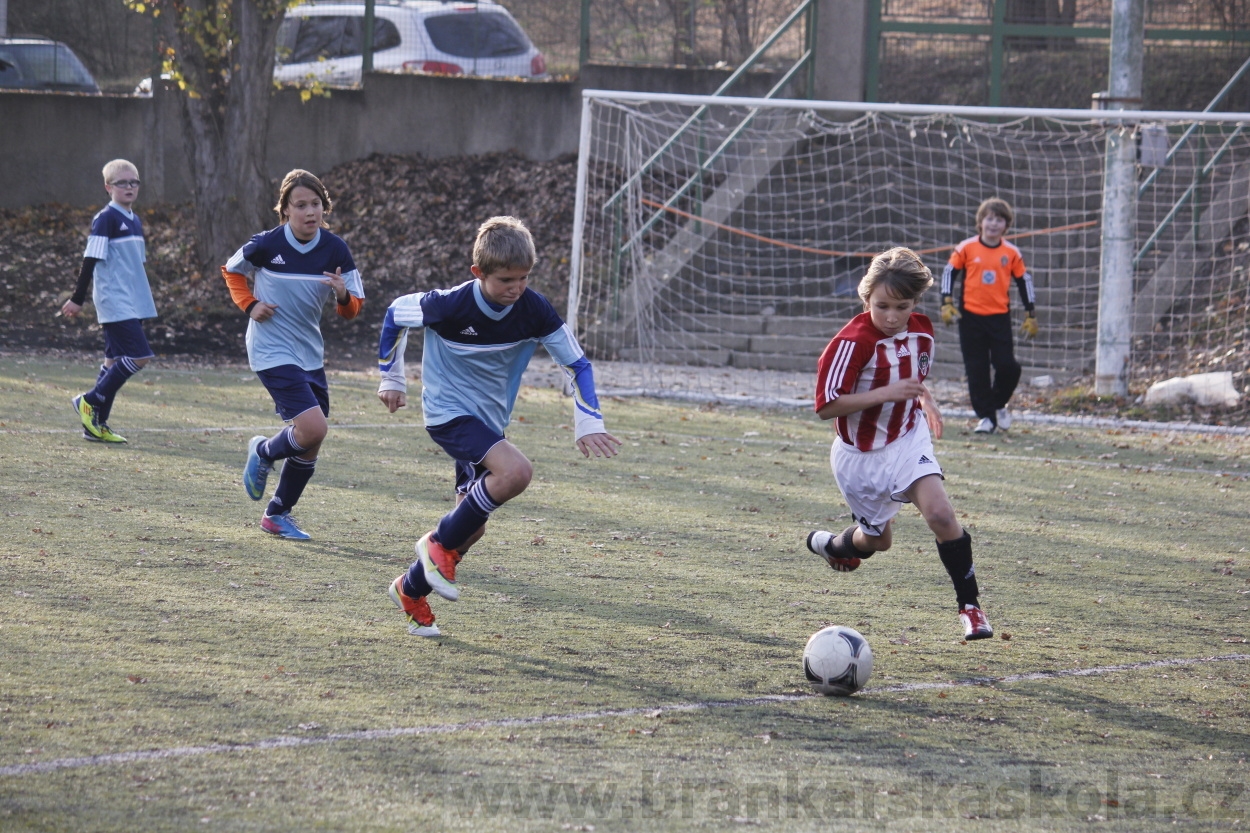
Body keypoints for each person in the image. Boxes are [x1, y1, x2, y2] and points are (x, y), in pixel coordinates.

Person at [377, 216, 621, 637]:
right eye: (506, 279)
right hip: (448, 413)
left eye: (524, 278)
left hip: (488, 423)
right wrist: (392, 378)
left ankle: (410, 589)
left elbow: (577, 363)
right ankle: (434, 545)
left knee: (471, 529)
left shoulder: (534, 309)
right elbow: (395, 314)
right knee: (516, 472)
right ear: (478, 273)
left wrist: (587, 420)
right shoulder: (449, 305)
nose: (516, 288)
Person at [806, 247, 993, 641]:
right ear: (866, 299)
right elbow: (826, 407)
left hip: (907, 437)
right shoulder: (850, 343)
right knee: (877, 542)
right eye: (882, 306)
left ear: (915, 302)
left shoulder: (922, 329)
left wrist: (925, 399)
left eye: (902, 307)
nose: (892, 317)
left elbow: (912, 377)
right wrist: (888, 394)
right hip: (859, 457)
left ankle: (971, 608)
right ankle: (835, 546)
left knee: (941, 515)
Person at [220, 169, 365, 540]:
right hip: (270, 348)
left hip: (310, 353)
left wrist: (343, 294)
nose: (310, 211)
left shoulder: (335, 250)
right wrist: (249, 304)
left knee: (311, 439)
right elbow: (231, 271)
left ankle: (277, 514)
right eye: (300, 205)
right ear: (285, 210)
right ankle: (265, 451)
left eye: (316, 204)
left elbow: (352, 310)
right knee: (313, 428)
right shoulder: (267, 244)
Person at [63, 159, 157, 444]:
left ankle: (96, 425)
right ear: (108, 187)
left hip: (133, 300)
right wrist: (77, 299)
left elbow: (134, 265)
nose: (129, 187)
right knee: (139, 356)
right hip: (114, 301)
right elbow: (90, 259)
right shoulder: (106, 219)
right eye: (122, 183)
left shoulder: (135, 219)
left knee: (113, 361)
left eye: (134, 182)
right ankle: (89, 400)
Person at [939, 197, 1038, 434]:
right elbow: (949, 272)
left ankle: (999, 404)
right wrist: (946, 302)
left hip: (999, 318)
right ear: (980, 222)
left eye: (1000, 219)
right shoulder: (966, 247)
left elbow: (1025, 281)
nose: (994, 224)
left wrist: (1030, 313)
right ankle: (986, 418)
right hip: (970, 318)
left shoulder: (1011, 252)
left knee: (1008, 366)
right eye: (989, 218)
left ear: (1006, 225)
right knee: (977, 370)